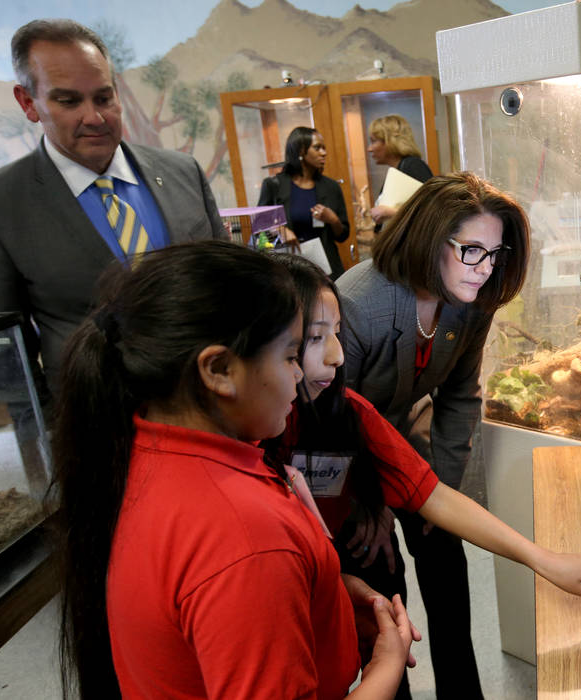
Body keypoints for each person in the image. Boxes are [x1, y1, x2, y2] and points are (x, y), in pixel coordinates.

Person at [52, 240, 415, 700]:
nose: (300, 374)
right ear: (220, 369)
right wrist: (386, 665)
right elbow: (243, 568)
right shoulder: (243, 534)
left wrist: (323, 592)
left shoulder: (141, 456)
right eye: (289, 355)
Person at [265, 254, 581, 698]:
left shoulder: (348, 408)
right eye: (311, 340)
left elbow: (434, 496)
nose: (337, 354)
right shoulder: (257, 438)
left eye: (338, 334)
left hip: (341, 559)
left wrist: (542, 558)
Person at [335, 172, 531, 698]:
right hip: (342, 458)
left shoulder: (472, 301)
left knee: (446, 557)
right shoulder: (357, 306)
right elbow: (326, 423)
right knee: (382, 578)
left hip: (403, 437)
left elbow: (460, 398)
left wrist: (437, 495)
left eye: (495, 253)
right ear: (428, 237)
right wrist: (367, 506)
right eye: (471, 250)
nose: (485, 268)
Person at [0, 19, 226, 397]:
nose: (95, 117)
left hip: (210, 410)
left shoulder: (183, 172)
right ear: (28, 103)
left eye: (104, 98)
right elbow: (4, 363)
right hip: (95, 429)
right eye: (69, 101)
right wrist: (51, 439)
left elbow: (230, 290)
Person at [258, 126, 350, 279]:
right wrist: (279, 230)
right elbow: (260, 228)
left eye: (324, 148)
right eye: (317, 148)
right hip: (288, 273)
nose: (324, 153)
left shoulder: (331, 187)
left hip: (326, 273)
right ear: (301, 151)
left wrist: (333, 220)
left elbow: (343, 235)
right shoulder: (273, 185)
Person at [366, 114, 434, 226]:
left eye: (373, 141)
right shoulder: (397, 170)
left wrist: (391, 213)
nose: (370, 149)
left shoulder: (413, 166)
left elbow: (433, 211)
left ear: (389, 141)